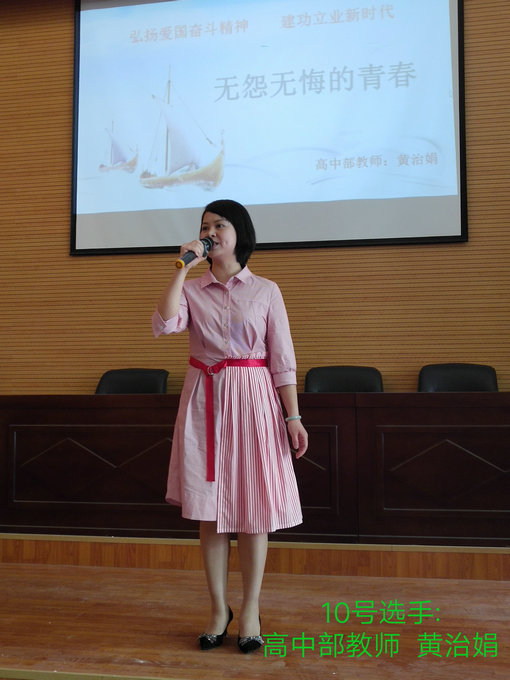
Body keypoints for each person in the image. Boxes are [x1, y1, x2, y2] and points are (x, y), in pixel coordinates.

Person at [152, 199, 308, 653]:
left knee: (253, 508)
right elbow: (165, 323)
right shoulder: (192, 289)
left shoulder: (266, 290)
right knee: (211, 512)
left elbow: (283, 361)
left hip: (254, 399)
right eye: (205, 226)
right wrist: (182, 268)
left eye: (220, 225)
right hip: (206, 399)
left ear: (240, 233)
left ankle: (251, 608)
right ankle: (218, 609)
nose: (211, 232)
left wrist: (293, 417)